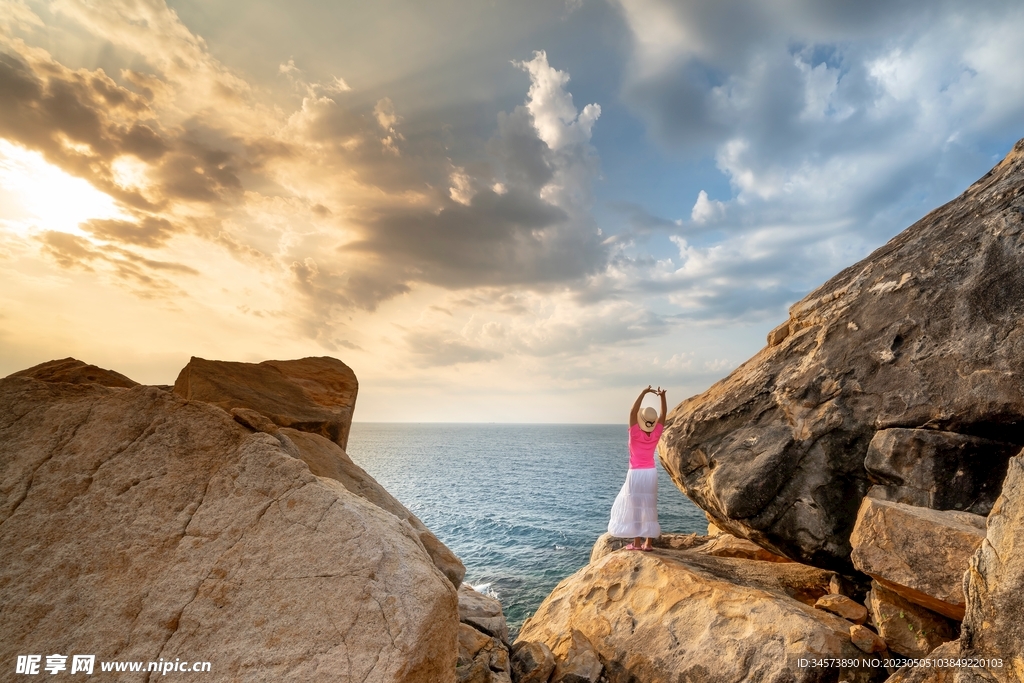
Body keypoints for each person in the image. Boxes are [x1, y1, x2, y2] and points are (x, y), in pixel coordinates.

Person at [607, 385, 667, 551]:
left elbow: (633, 413)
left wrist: (644, 392)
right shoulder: (656, 434)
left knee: (635, 507)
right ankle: (649, 543)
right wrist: (662, 397)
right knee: (650, 506)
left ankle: (637, 543)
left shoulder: (634, 433)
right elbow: (663, 416)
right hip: (651, 473)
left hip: (635, 473)